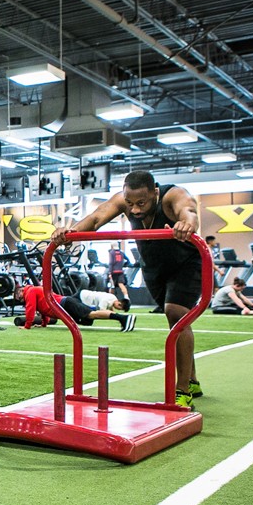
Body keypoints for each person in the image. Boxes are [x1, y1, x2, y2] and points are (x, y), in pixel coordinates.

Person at [51, 170, 202, 408]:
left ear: (155, 192)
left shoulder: (173, 196)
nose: (135, 210)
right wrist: (70, 233)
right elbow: (98, 216)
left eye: (142, 203)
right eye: (130, 203)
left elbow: (189, 211)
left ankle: (182, 390)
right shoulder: (125, 201)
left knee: (176, 314)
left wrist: (187, 224)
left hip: (186, 264)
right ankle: (192, 379)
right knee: (176, 321)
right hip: (154, 266)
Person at [14, 283, 136, 331]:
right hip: (65, 305)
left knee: (91, 314)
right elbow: (42, 308)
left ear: (20, 291)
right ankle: (122, 319)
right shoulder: (33, 291)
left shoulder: (29, 292)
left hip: (65, 304)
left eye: (17, 295)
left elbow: (31, 308)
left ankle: (123, 319)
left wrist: (27, 326)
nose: (19, 297)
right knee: (90, 317)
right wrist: (43, 324)